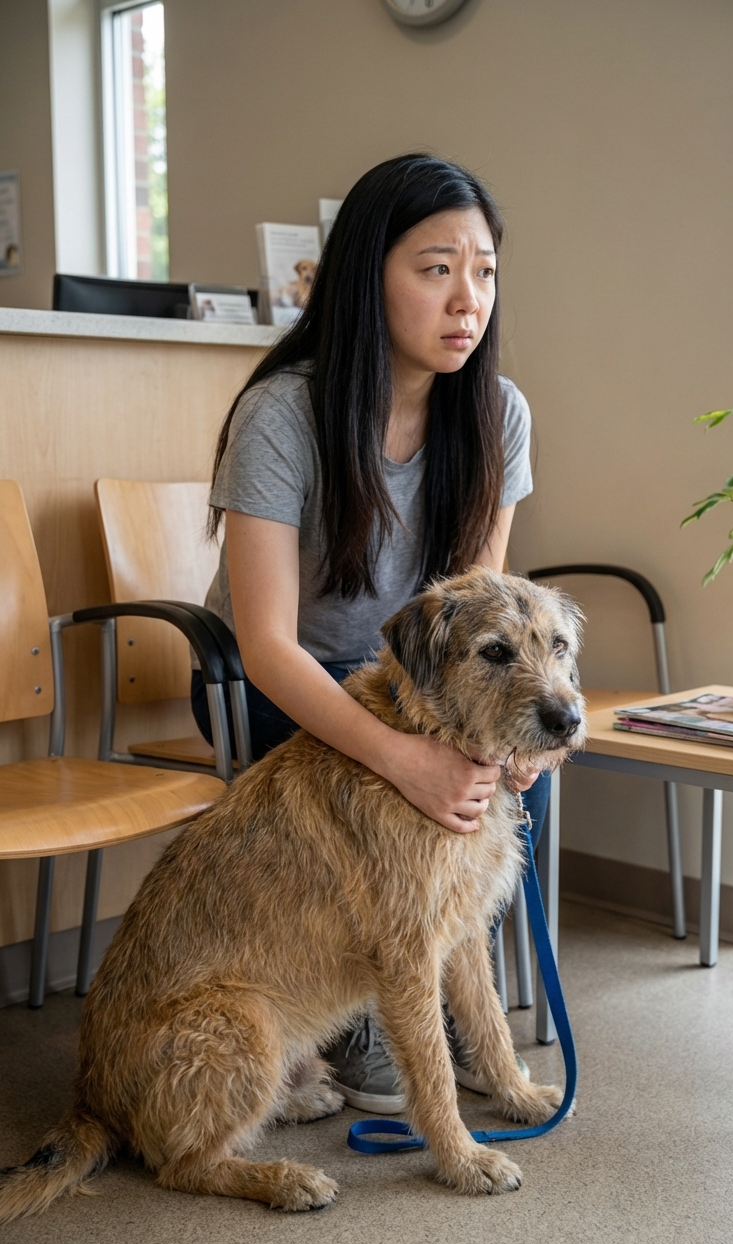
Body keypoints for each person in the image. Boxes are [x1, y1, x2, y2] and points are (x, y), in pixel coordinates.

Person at [192, 153, 551, 1113]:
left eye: (483, 270)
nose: (466, 298)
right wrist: (401, 757)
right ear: (367, 274)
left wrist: (499, 740)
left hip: (413, 677)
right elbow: (266, 644)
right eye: (436, 268)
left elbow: (482, 611)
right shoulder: (283, 416)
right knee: (406, 801)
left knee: (490, 783)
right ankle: (369, 1015)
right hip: (279, 680)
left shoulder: (497, 413)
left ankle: (448, 1009)